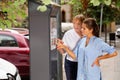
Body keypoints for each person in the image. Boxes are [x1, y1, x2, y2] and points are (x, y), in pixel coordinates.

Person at [57, 14, 85, 80]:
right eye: (74, 23)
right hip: (70, 63)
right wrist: (59, 47)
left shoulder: (86, 34)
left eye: (78, 24)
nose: (76, 26)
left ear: (83, 24)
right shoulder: (68, 34)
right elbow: (63, 52)